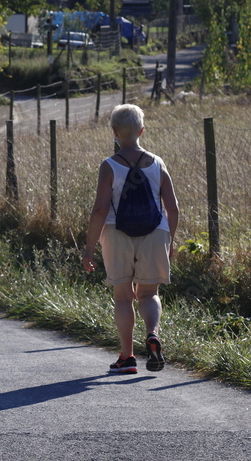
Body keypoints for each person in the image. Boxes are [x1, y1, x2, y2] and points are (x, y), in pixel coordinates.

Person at [81, 104, 179, 374]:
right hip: (155, 231)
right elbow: (172, 208)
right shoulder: (158, 163)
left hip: (116, 232)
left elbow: (100, 209)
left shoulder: (109, 165)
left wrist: (89, 249)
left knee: (123, 297)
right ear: (142, 130)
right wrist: (169, 241)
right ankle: (153, 334)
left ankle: (127, 357)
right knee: (148, 293)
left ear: (114, 132)